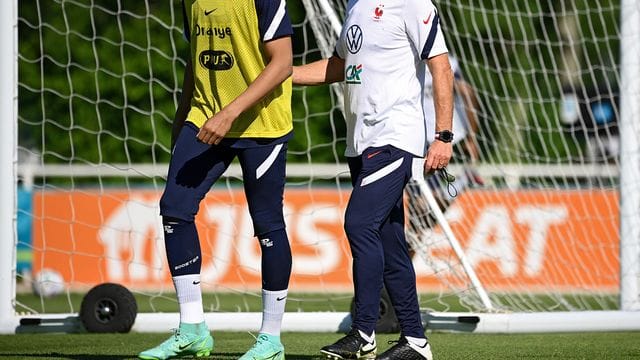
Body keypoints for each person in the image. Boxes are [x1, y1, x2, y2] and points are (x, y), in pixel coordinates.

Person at [292, 0, 454, 359]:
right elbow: (338, 66)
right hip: (360, 143)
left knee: (359, 223)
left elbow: (441, 67)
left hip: (394, 137)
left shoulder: (412, 4)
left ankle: (363, 332)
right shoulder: (355, 6)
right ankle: (415, 341)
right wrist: (282, 75)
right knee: (391, 243)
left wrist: (443, 136)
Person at [138, 1, 294, 359]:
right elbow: (195, 62)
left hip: (263, 125)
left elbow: (282, 63)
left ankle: (270, 340)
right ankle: (192, 328)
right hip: (205, 117)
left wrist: (230, 113)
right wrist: (181, 124)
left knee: (268, 225)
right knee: (174, 209)